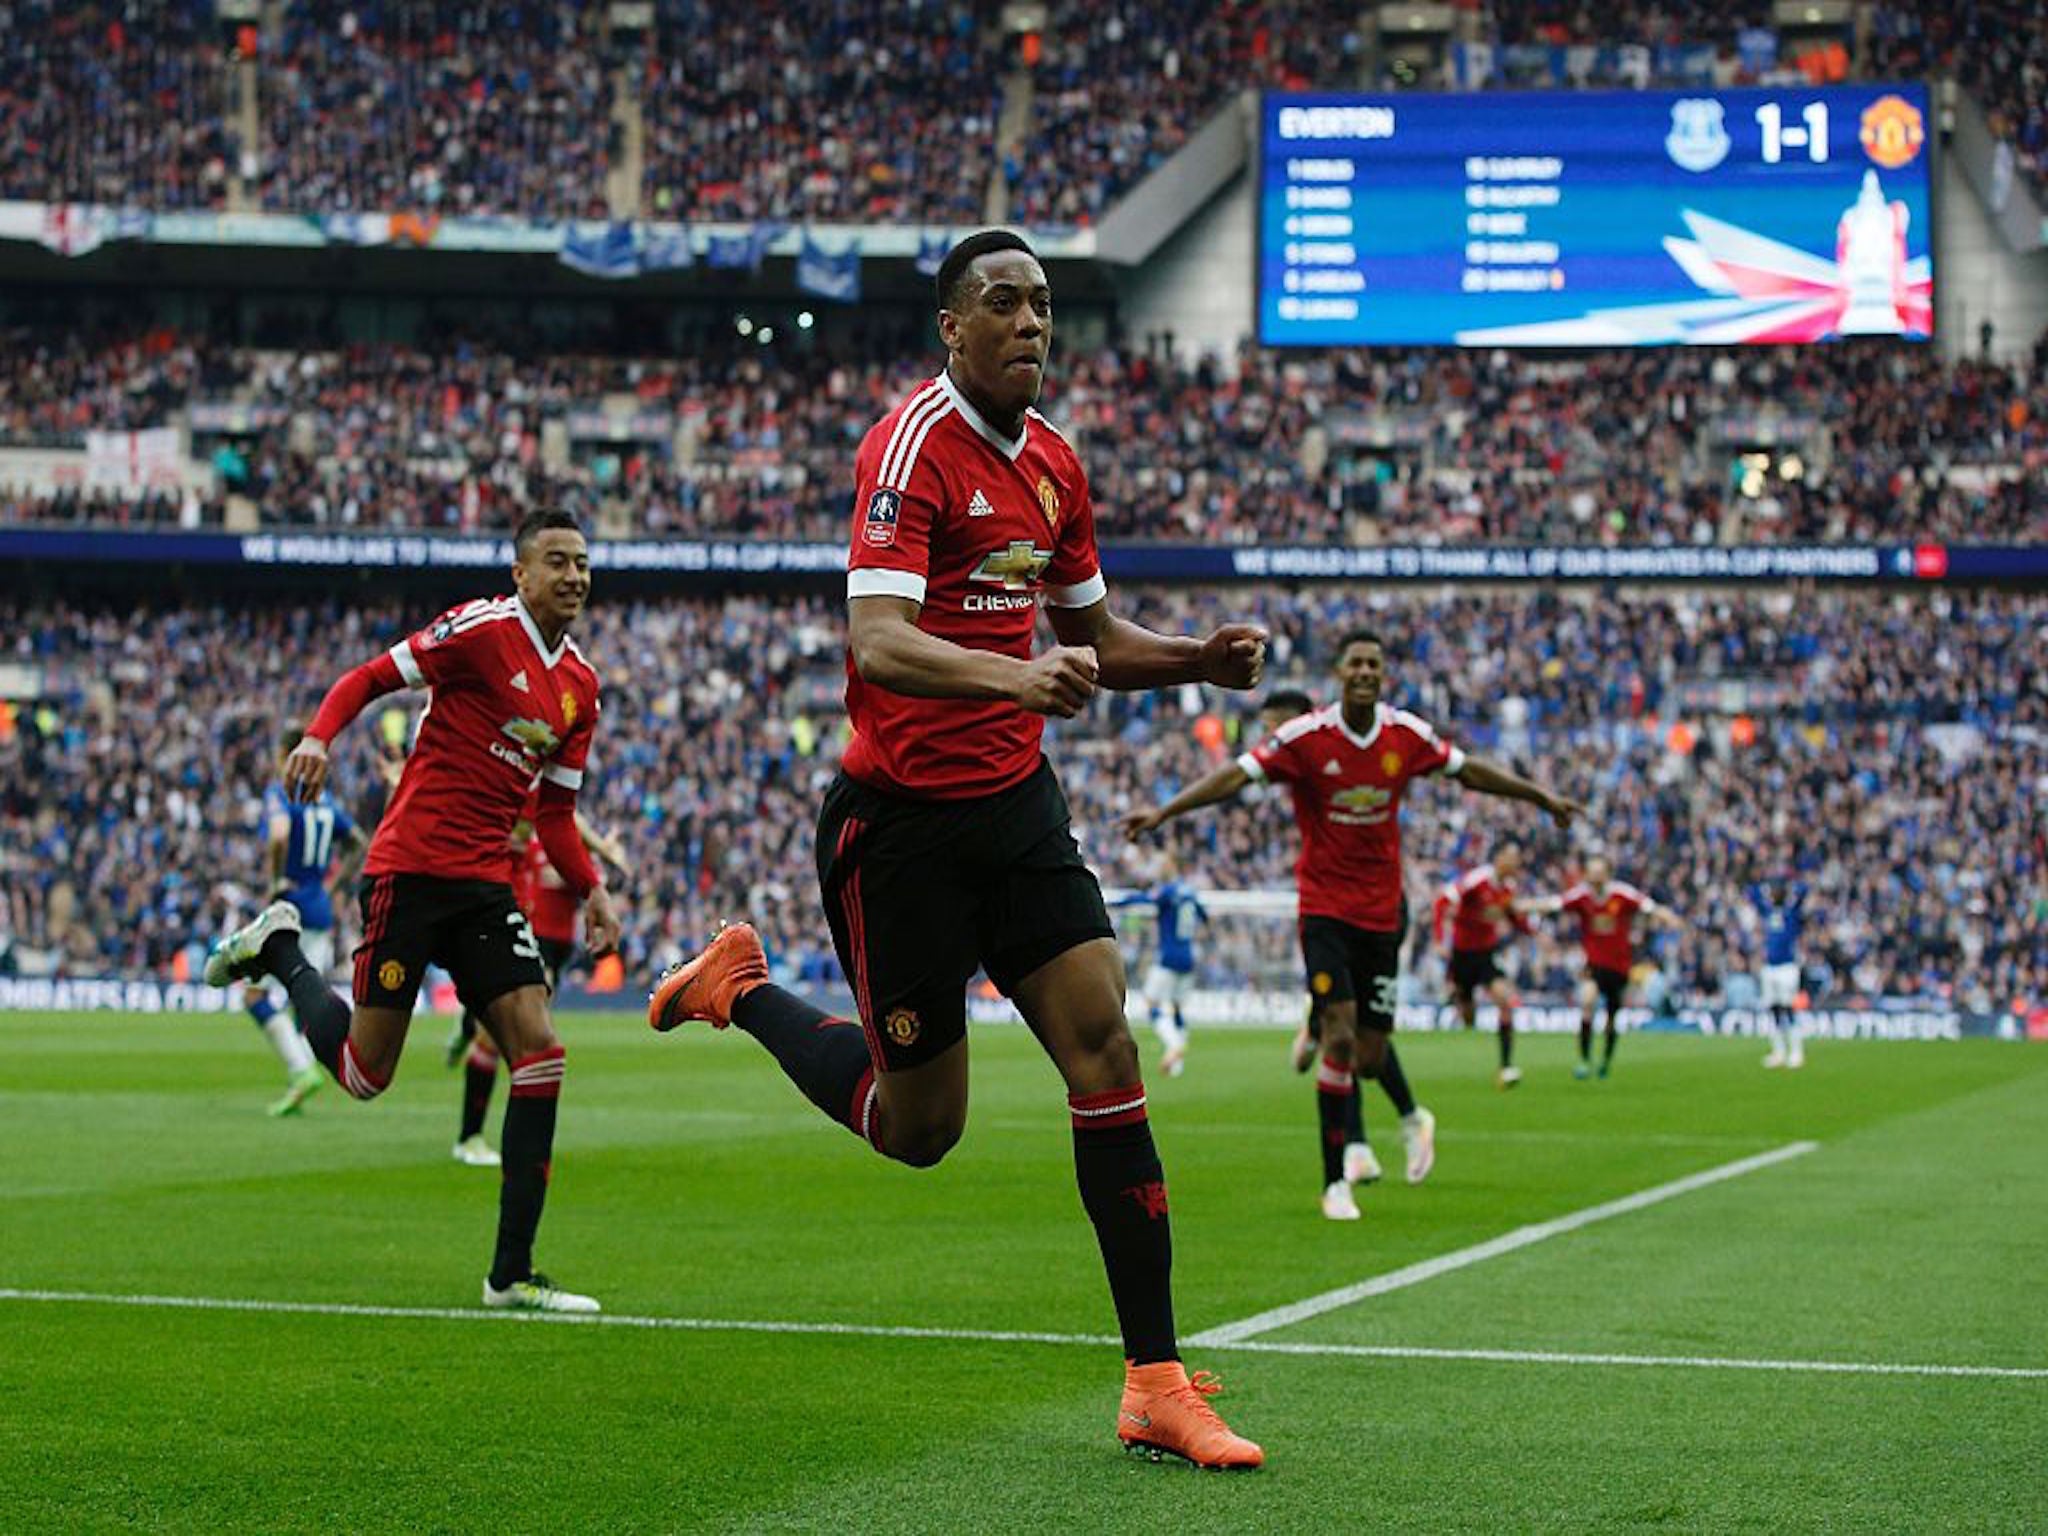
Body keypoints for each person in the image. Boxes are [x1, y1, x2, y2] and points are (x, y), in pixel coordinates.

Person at [648, 231, 1266, 1470]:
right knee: (918, 1129)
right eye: (1003, 302)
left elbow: (1092, 632)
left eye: (1042, 304)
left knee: (1105, 1041)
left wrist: (1191, 658)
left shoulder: (1053, 463)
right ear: (951, 327)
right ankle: (742, 987)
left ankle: (1153, 1379)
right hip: (901, 832)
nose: (1030, 322)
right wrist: (1017, 673)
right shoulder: (909, 447)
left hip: (1014, 807)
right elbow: (878, 643)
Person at [204, 507, 622, 1314]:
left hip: (484, 886)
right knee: (365, 1074)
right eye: (558, 562)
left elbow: (557, 817)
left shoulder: (582, 689)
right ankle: (283, 949)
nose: (574, 576)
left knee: (540, 1053)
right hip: (409, 870)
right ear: (522, 573)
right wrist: (320, 738)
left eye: (583, 563)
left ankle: (510, 1276)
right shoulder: (477, 631)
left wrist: (592, 888)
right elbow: (367, 678)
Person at [1123, 631, 1580, 1219]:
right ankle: (1334, 1180)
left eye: (1374, 664)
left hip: (1382, 913)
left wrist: (1541, 799)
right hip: (1324, 911)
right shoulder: (1306, 737)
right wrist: (1165, 811)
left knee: (1367, 1054)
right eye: (1355, 664)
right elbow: (1236, 775)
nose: (1364, 672)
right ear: (1338, 673)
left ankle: (1409, 1119)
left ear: (1381, 675)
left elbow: (1469, 773)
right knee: (1338, 1033)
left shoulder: (1404, 735)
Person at [448, 802, 628, 1168]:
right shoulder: (524, 840)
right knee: (508, 1036)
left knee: (512, 1030)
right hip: (525, 935)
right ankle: (470, 1136)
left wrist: (604, 855)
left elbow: (593, 873)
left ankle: (469, 1022)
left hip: (557, 945)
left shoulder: (558, 842)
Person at [242, 724, 369, 1117]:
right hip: (319, 907)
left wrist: (276, 878)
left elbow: (279, 836)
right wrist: (334, 885)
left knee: (255, 995)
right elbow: (359, 842)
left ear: (285, 755)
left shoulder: (281, 794)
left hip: (289, 906)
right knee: (304, 995)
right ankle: (323, 1063)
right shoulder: (326, 800)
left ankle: (301, 1071)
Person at [1524, 854, 1683, 1079]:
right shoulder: (1581, 896)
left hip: (1619, 966)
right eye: (1591, 874)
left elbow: (1650, 907)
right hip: (1594, 965)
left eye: (1599, 874)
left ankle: (1606, 1061)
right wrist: (1525, 906)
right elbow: (1553, 903)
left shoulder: (1621, 894)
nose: (1595, 878)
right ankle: (1584, 1060)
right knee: (1587, 1002)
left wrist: (1669, 917)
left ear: (1607, 874)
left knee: (1611, 1018)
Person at [1436, 844, 1537, 1089]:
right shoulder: (1476, 880)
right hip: (1462, 955)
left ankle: (1506, 1065)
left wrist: (1531, 929)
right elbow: (1442, 901)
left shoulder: (1508, 890)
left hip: (1487, 954)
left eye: (1517, 859)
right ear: (1498, 859)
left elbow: (1514, 918)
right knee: (1467, 1010)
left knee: (1504, 1001)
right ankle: (1465, 1037)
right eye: (1510, 857)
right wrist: (1440, 938)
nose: (1514, 863)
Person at [1111, 854, 1207, 1077]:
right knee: (1177, 1007)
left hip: (1169, 957)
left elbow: (1144, 900)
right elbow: (1204, 917)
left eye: (1162, 864)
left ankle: (1174, 1046)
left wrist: (1117, 902)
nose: (1159, 868)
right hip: (1188, 957)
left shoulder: (1168, 891)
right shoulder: (1190, 892)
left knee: (1152, 1003)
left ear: (1172, 865)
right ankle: (1177, 1067)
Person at [1749, 875, 1811, 1068]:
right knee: (1774, 1011)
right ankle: (1778, 1052)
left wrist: (1790, 886)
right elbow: (1751, 892)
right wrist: (1763, 887)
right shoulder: (1768, 911)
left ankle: (1796, 1052)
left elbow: (1804, 889)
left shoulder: (1791, 912)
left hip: (1787, 967)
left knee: (1788, 1010)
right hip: (1770, 967)